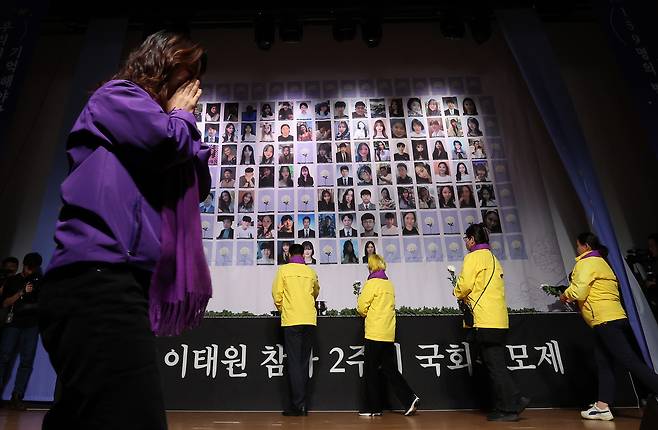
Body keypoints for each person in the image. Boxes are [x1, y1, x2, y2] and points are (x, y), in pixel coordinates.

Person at [37, 31, 210, 429]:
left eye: (193, 79)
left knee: (81, 416)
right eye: (183, 72)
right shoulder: (117, 96)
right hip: (95, 278)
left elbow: (197, 182)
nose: (188, 87)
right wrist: (181, 116)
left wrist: (183, 124)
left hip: (116, 280)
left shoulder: (165, 121)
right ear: (158, 62)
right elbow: (166, 143)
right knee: (136, 418)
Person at [563, 234, 658, 421]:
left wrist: (565, 295)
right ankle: (602, 406)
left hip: (604, 319)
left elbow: (579, 291)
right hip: (610, 317)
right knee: (603, 362)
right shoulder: (602, 262)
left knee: (628, 360)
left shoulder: (586, 263)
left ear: (586, 246)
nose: (577, 249)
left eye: (578, 245)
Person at [453, 223, 529, 422]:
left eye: (466, 239)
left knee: (494, 365)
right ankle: (505, 406)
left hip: (484, 318)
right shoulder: (494, 259)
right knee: (494, 363)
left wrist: (456, 291)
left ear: (472, 239)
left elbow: (465, 285)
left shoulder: (473, 258)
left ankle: (514, 403)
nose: (466, 243)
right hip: (498, 318)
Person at [357, 254, 420, 416]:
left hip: (374, 332)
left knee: (371, 370)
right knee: (389, 369)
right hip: (388, 333)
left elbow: (361, 307)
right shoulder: (389, 285)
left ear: (371, 267)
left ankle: (373, 408)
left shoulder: (371, 284)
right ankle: (409, 398)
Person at [272, 244, 320, 416]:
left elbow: (277, 295)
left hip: (292, 320)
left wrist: (284, 309)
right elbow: (315, 292)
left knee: (293, 363)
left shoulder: (283, 270)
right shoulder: (311, 272)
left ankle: (297, 405)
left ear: (290, 254)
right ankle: (303, 404)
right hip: (309, 320)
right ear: (303, 255)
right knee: (304, 363)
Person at [0, 252, 43, 410]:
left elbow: (42, 303)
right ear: (24, 265)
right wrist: (21, 293)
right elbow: (4, 303)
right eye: (29, 267)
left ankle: (17, 396)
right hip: (13, 324)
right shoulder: (13, 280)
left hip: (31, 325)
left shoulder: (40, 281)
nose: (31, 270)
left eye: (34, 268)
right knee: (4, 358)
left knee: (27, 362)